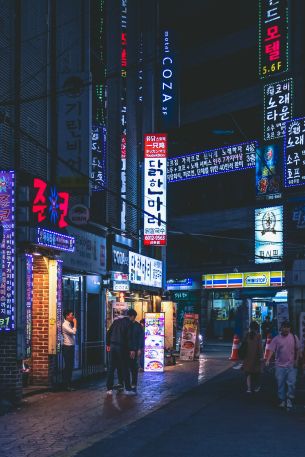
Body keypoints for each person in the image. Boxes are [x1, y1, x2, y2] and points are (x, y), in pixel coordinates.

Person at [266, 320, 301, 409]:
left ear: (290, 328)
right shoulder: (276, 339)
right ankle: (282, 400)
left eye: (288, 327)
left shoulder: (294, 337)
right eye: (284, 327)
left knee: (292, 383)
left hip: (291, 365)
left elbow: (298, 349)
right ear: (281, 328)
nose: (286, 329)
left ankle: (289, 398)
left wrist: (297, 360)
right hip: (279, 366)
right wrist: (268, 360)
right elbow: (271, 350)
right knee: (280, 383)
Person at [106, 308, 137, 396]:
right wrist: (132, 349)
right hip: (122, 347)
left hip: (113, 346)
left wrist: (108, 344)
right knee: (125, 367)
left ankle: (109, 389)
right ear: (132, 316)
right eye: (134, 318)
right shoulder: (129, 323)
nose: (133, 320)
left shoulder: (116, 322)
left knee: (111, 368)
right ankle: (127, 388)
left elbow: (109, 333)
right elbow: (129, 337)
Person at [242, 321, 263, 394]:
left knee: (248, 373)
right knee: (257, 373)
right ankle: (257, 387)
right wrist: (261, 357)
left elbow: (243, 345)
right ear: (257, 328)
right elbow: (260, 347)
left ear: (250, 328)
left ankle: (249, 388)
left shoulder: (247, 335)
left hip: (247, 357)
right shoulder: (258, 336)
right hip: (256, 357)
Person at [62, 309, 77, 391]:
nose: (73, 317)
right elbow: (73, 332)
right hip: (67, 347)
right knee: (68, 366)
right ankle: (66, 385)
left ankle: (69, 384)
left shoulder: (68, 324)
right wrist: (75, 323)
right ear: (67, 316)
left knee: (70, 366)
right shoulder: (65, 325)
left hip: (70, 346)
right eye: (71, 315)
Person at [130, 319, 145, 390]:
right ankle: (133, 384)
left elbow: (140, 338)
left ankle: (132, 384)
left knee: (134, 365)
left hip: (134, 348)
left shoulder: (137, 326)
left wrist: (139, 348)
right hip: (134, 348)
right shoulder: (137, 326)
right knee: (133, 365)